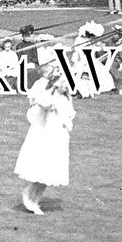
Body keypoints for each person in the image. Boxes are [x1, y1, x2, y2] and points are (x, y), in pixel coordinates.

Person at [15, 61, 76, 215]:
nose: (66, 86)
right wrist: (52, 91)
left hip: (59, 137)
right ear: (55, 84)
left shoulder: (66, 98)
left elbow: (70, 113)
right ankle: (29, 195)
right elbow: (43, 104)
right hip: (46, 135)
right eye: (63, 83)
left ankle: (36, 199)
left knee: (51, 172)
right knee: (42, 168)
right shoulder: (47, 97)